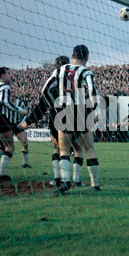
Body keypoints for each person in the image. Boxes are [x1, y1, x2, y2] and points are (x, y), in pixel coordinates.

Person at [19, 56, 86, 188]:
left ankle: (58, 179)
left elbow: (42, 106)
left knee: (58, 149)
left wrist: (27, 122)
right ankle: (76, 180)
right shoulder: (73, 81)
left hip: (57, 119)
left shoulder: (53, 82)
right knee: (78, 149)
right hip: (76, 117)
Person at [48, 45, 100, 194]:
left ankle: (65, 182)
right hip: (81, 112)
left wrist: (56, 105)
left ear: (72, 55)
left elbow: (46, 89)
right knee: (89, 149)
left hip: (64, 111)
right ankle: (95, 184)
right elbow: (92, 91)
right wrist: (92, 109)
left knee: (63, 149)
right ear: (87, 57)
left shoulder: (59, 70)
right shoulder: (86, 72)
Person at [10, 93, 32, 168]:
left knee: (25, 143)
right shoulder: (5, 102)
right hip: (8, 125)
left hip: (17, 124)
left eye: (14, 94)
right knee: (6, 146)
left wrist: (22, 123)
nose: (13, 95)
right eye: (11, 93)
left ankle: (25, 163)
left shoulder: (20, 103)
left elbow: (25, 114)